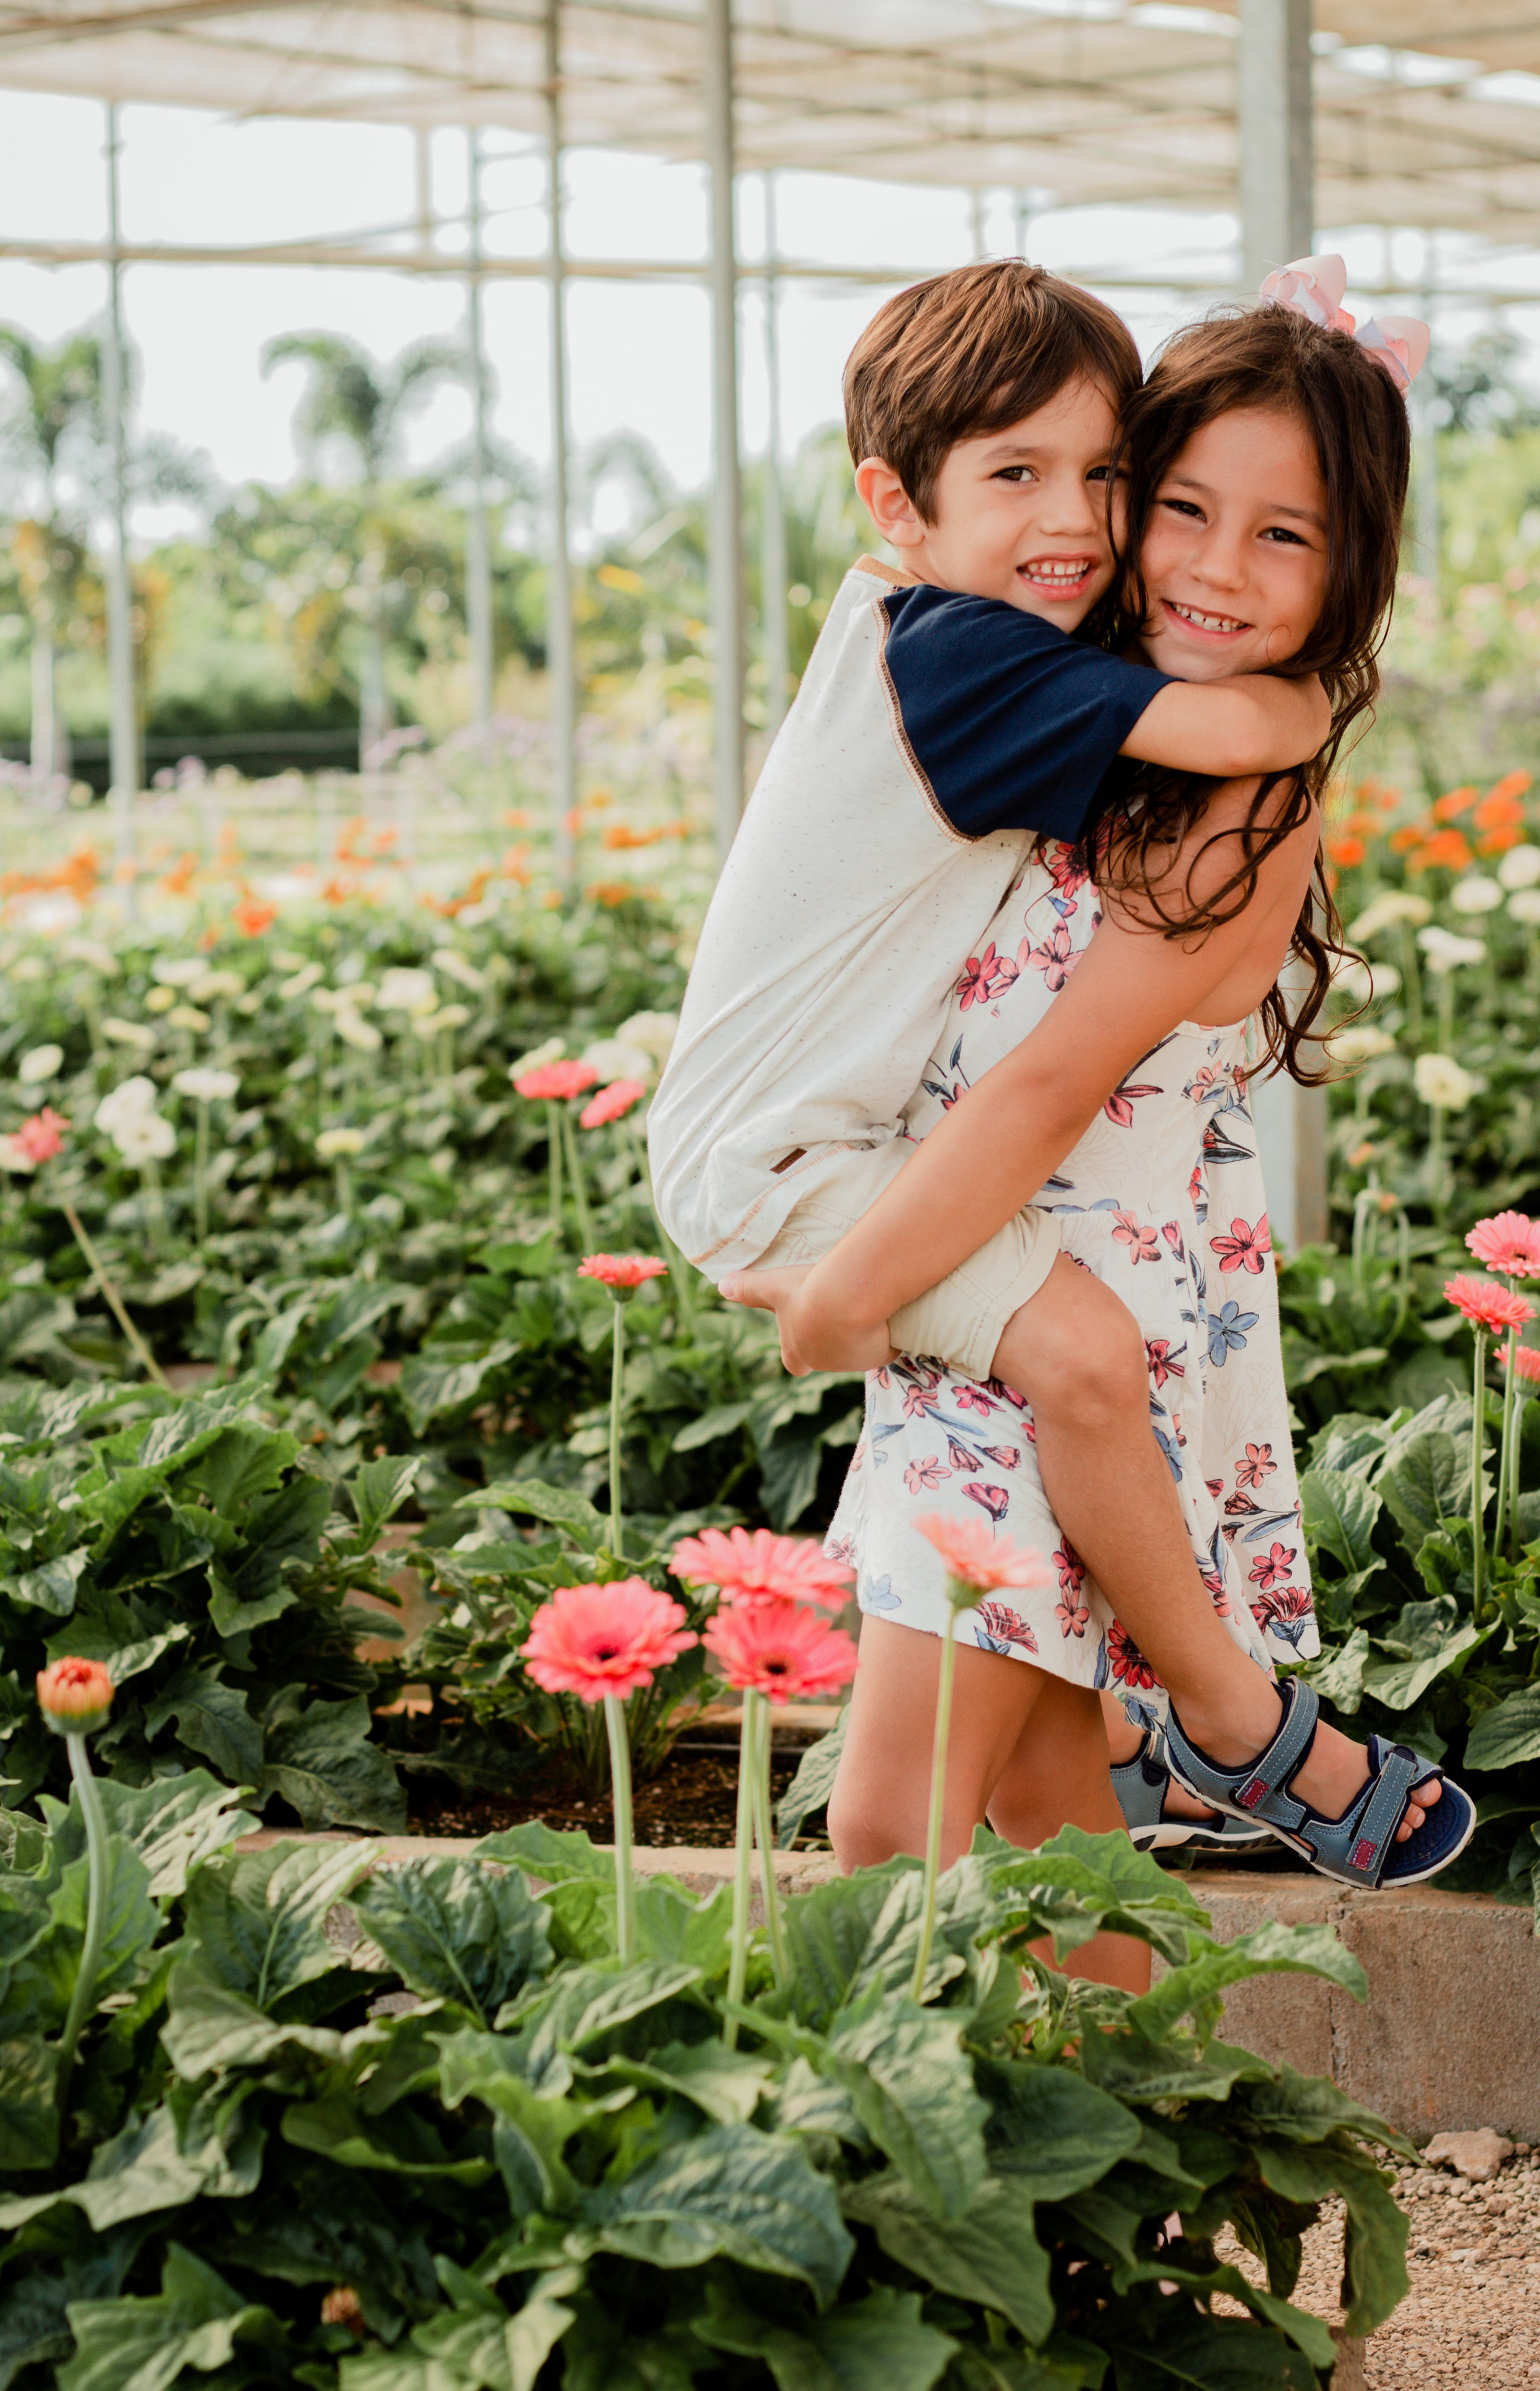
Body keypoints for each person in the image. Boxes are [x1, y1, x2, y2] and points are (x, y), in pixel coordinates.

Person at [726, 261, 1473, 1985]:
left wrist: (845, 1295)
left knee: (886, 1819)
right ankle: (1134, 2168)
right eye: (1182, 505)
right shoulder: (1075, 703)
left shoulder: (1233, 800)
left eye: (1282, 538)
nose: (1214, 565)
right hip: (994, 1303)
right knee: (1047, 1810)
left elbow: (1048, 1087)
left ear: (1348, 566)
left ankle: (932, 2160)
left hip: (1069, 1323)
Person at [648, 261, 1330, 1872]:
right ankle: (1223, 1711)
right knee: (1082, 1351)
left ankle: (1110, 1748)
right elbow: (1233, 733)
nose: (1079, 522)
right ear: (898, 503)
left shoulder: (935, 631)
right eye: (1017, 475)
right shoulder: (962, 653)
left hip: (809, 1140)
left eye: (1105, 474)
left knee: (1042, 1806)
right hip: (795, 1169)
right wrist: (1317, 684)